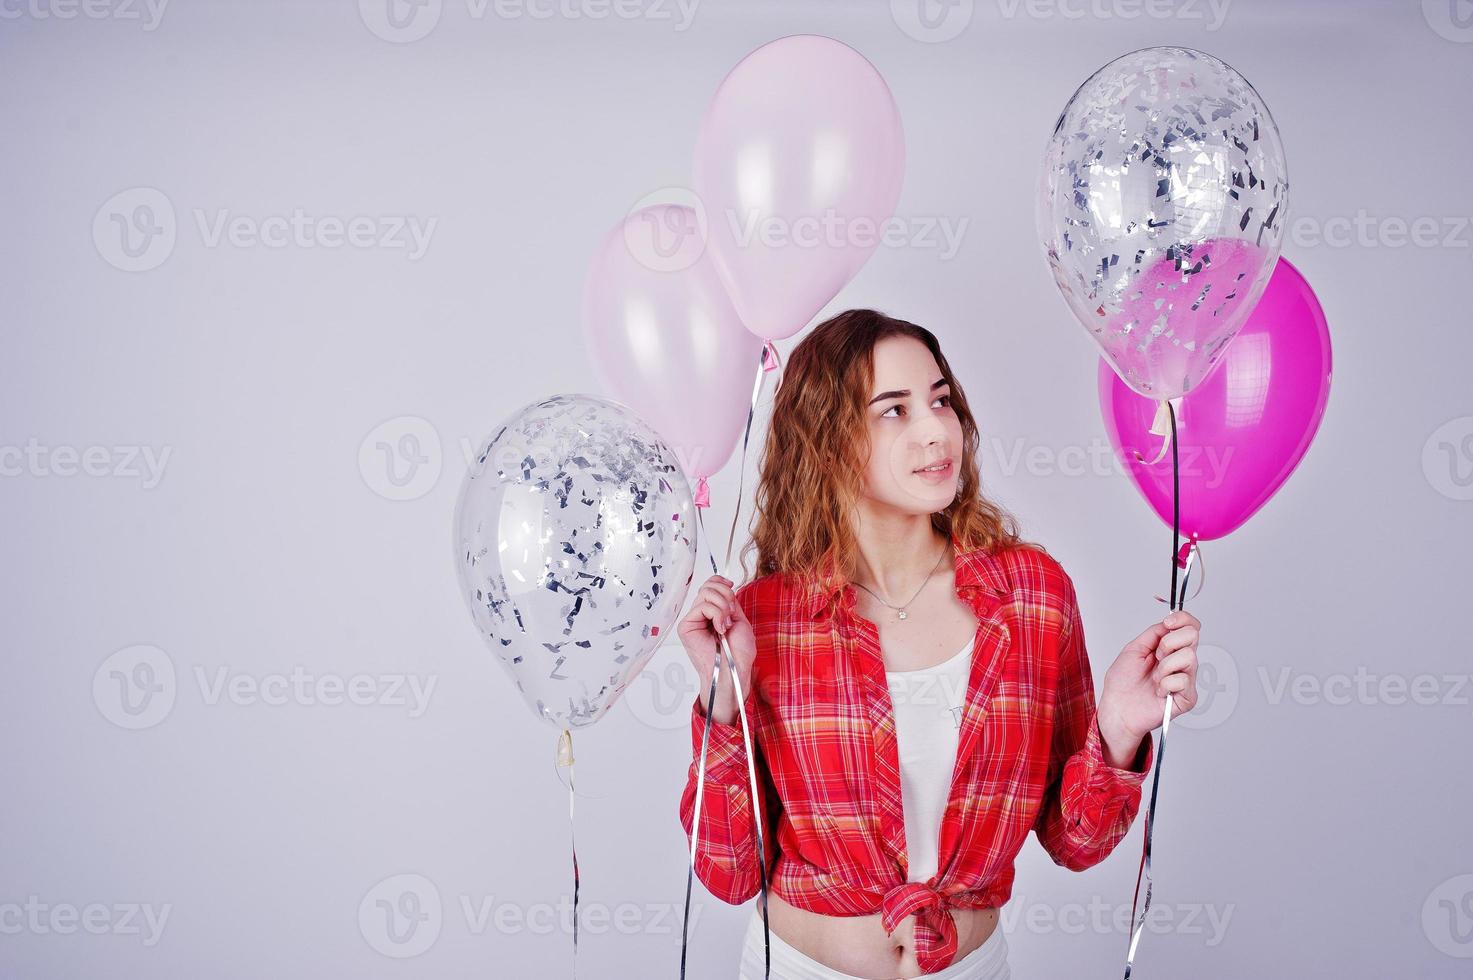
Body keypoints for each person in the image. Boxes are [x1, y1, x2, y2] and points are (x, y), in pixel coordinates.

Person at [677, 309, 1201, 980]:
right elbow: (727, 872)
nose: (935, 429)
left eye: (940, 400)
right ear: (826, 441)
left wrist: (1119, 731)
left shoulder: (1031, 595)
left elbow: (1077, 843)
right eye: (892, 411)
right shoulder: (766, 619)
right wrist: (721, 702)